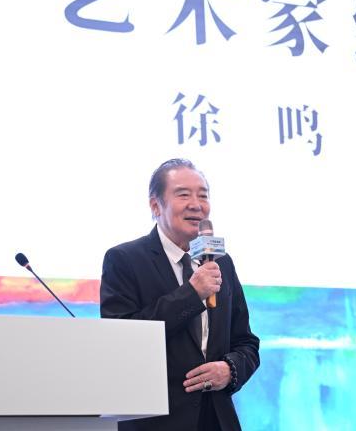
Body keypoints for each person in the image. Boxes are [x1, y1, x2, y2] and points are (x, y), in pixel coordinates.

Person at [101, 158, 260, 431]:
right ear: (155, 206)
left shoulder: (221, 262)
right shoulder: (124, 259)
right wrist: (192, 294)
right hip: (155, 422)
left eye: (203, 195)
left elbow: (246, 342)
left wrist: (230, 370)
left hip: (217, 420)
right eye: (183, 195)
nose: (196, 204)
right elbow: (121, 339)